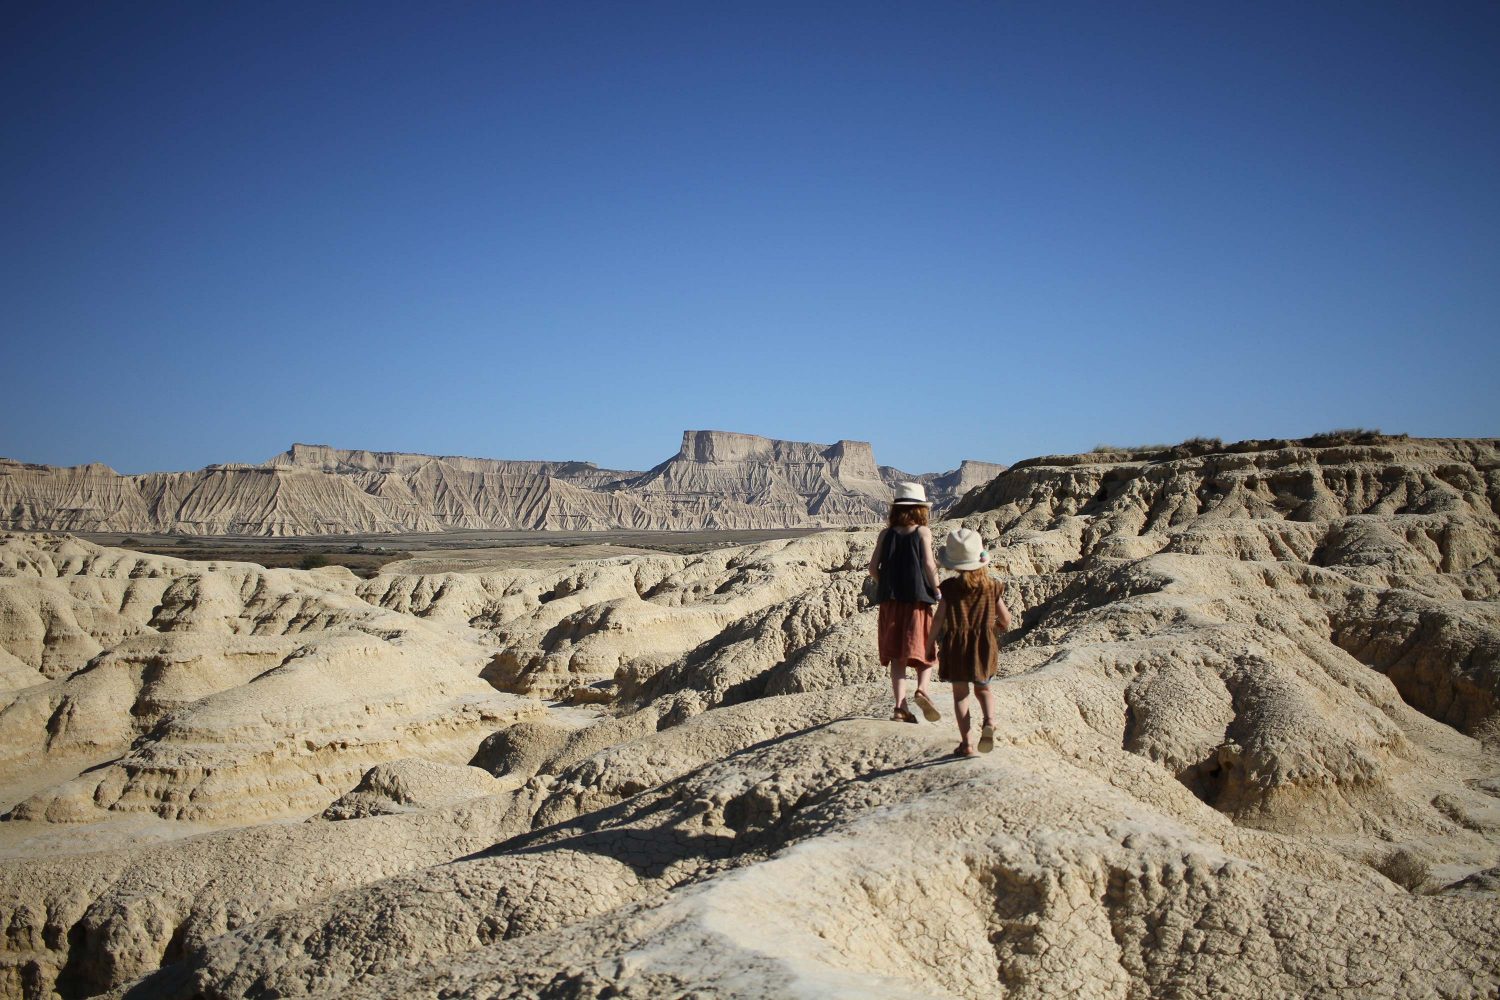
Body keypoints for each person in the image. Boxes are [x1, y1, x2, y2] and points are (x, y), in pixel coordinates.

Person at [931, 527, 1012, 757]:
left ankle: (966, 744)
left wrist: (929, 642)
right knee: (983, 688)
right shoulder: (992, 587)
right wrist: (993, 629)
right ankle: (989, 720)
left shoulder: (949, 589)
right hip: (984, 645)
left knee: (960, 695)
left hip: (956, 647)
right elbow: (1005, 619)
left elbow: (938, 619)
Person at [868, 482, 942, 724]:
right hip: (917, 601)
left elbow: (872, 568)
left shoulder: (885, 534)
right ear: (920, 509)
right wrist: (937, 589)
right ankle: (922, 690)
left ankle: (900, 707)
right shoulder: (922, 532)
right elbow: (930, 565)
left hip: (890, 603)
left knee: (897, 656)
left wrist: (887, 583)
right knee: (925, 650)